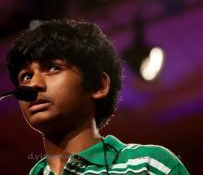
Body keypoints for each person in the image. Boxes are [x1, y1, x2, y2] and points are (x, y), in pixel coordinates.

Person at [6, 19, 190, 175]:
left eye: (54, 67)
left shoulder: (149, 165)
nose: (33, 84)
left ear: (98, 85)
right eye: (26, 76)